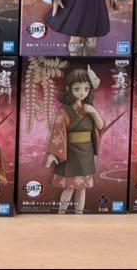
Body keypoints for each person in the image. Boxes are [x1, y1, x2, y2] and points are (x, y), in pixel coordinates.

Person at [45, 67, 105, 214]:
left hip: (86, 152)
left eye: (86, 89)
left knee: (82, 187)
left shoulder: (89, 109)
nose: (82, 92)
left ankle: (79, 213)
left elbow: (100, 126)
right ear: (69, 89)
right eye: (77, 89)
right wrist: (53, 153)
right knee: (69, 187)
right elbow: (58, 132)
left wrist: (94, 112)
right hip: (71, 153)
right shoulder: (65, 110)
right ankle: (61, 212)